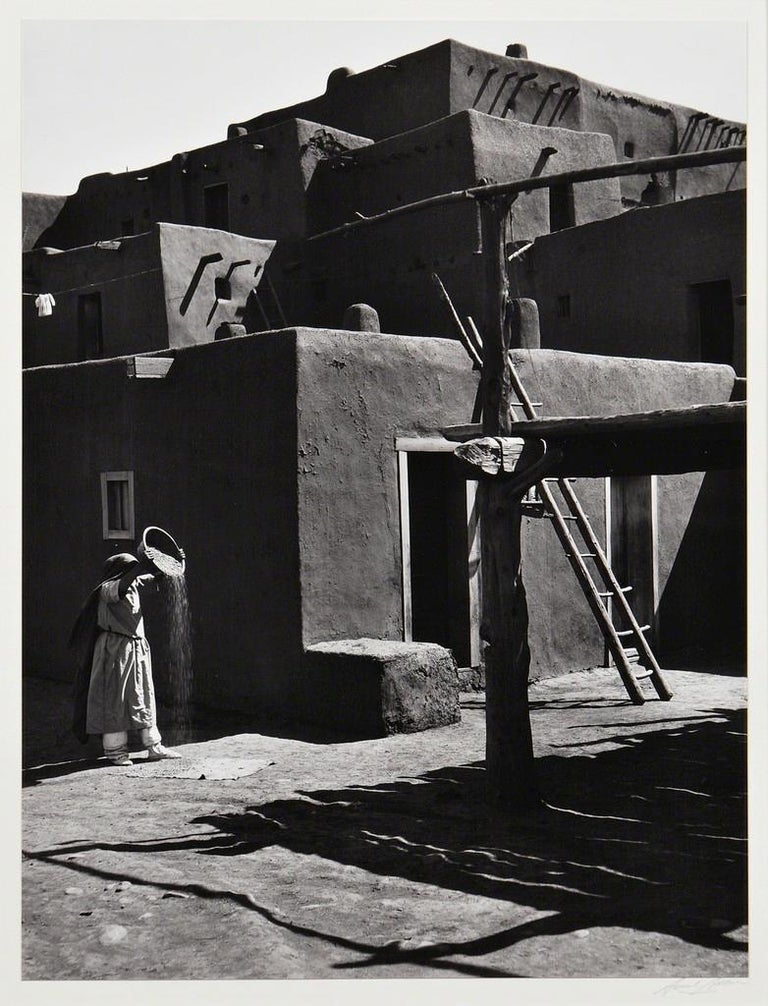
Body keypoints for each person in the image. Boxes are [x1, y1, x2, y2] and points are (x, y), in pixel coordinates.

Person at [70, 552, 182, 765]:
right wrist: (140, 565)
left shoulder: (133, 583)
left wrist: (172, 561)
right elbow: (121, 587)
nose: (135, 573)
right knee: (115, 698)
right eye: (130, 569)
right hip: (114, 650)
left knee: (143, 695)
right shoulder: (107, 589)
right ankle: (115, 751)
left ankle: (153, 745)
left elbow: (157, 577)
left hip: (136, 648)